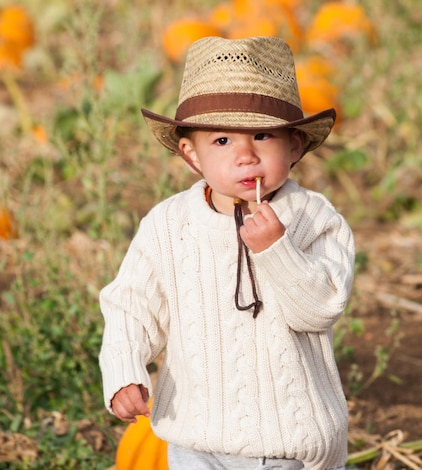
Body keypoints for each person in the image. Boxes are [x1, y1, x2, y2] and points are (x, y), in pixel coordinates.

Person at [98, 36, 355, 470]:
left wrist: (278, 250)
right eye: (221, 141)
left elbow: (320, 310)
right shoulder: (167, 226)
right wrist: (125, 371)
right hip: (193, 438)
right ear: (190, 153)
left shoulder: (314, 219)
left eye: (261, 135)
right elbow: (132, 306)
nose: (245, 156)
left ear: (294, 146)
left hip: (285, 443)